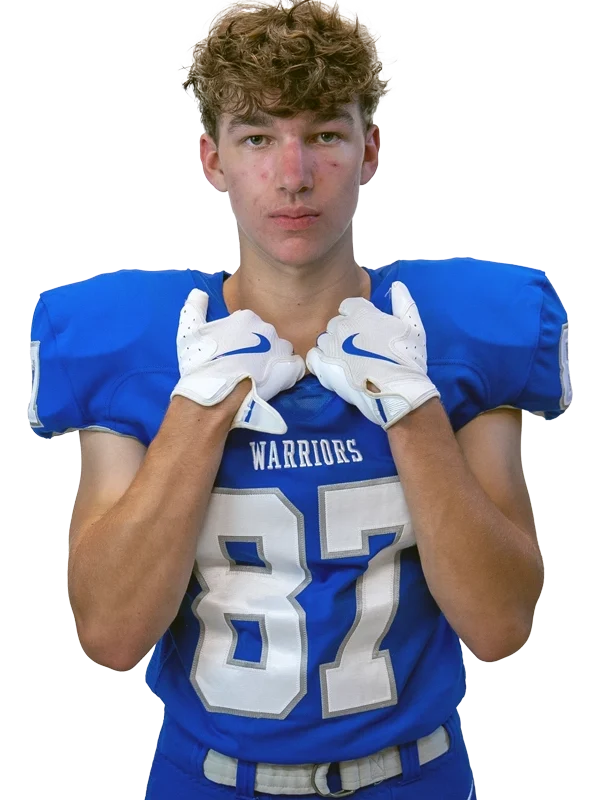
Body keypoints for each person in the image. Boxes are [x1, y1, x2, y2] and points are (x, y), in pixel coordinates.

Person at [27, 1, 571, 798]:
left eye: (324, 135)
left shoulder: (453, 331)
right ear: (211, 159)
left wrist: (413, 411)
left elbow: (499, 628)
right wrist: (197, 414)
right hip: (208, 780)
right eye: (257, 138)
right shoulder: (141, 343)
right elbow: (110, 636)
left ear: (370, 149)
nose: (293, 175)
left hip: (412, 777)